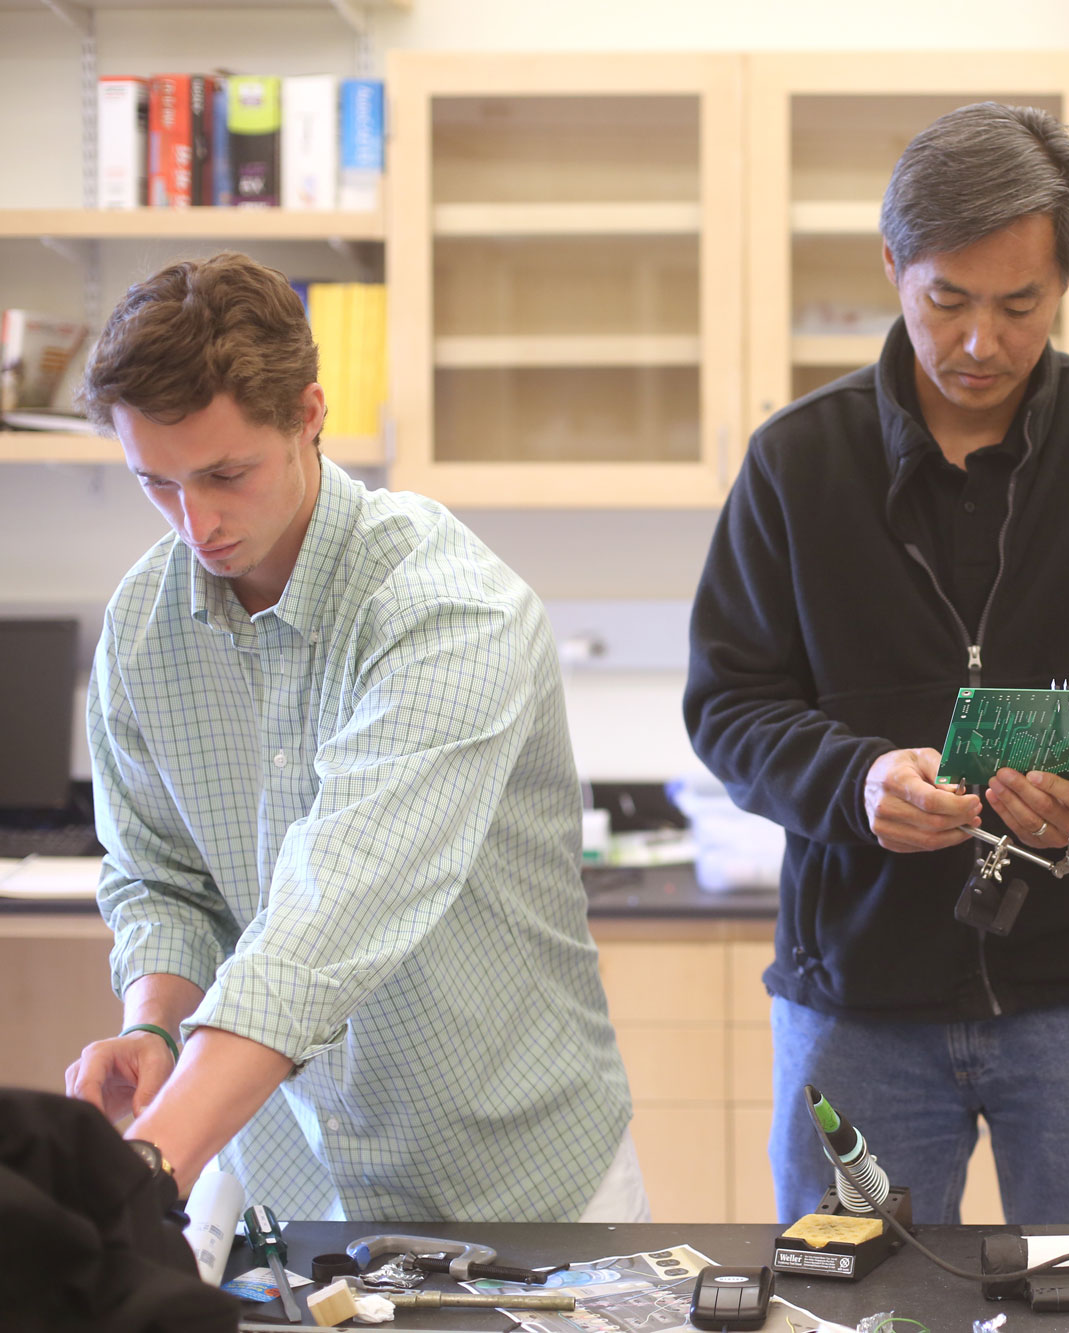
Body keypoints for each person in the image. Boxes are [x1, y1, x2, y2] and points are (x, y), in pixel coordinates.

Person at [684, 103, 1069, 1225]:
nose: (978, 342)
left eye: (1019, 304)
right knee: (854, 1305)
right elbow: (730, 705)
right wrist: (851, 782)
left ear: (1062, 285)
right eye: (946, 299)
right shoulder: (797, 462)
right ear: (893, 263)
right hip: (856, 1001)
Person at [63, 252, 641, 1222]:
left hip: (516, 1180)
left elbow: (333, 913)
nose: (195, 522)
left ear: (309, 413)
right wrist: (155, 1024)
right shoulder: (142, 626)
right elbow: (160, 876)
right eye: (155, 484)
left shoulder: (444, 607)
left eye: (225, 474)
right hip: (298, 1179)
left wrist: (150, 1163)